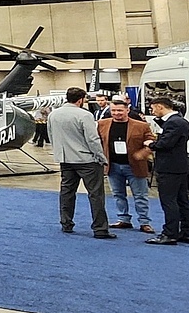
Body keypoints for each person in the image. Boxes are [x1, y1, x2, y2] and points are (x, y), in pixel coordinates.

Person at [51, 86, 114, 239]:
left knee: (66, 192)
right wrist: (101, 157)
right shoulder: (85, 115)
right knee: (96, 194)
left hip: (65, 159)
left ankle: (66, 223)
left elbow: (51, 136)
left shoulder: (54, 114)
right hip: (87, 160)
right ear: (80, 100)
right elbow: (92, 139)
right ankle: (100, 229)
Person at [98, 95, 156, 234]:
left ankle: (144, 222)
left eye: (120, 111)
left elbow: (152, 142)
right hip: (113, 165)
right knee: (118, 194)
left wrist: (143, 153)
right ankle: (123, 219)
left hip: (134, 165)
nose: (117, 113)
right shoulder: (102, 124)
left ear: (127, 110)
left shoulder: (141, 126)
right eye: (114, 111)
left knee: (140, 195)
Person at [145, 95, 189, 245]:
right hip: (179, 166)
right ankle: (188, 233)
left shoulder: (174, 123)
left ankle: (170, 233)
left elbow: (165, 144)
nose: (152, 111)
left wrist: (151, 144)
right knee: (182, 201)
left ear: (160, 106)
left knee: (169, 201)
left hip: (169, 167)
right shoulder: (179, 121)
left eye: (153, 108)